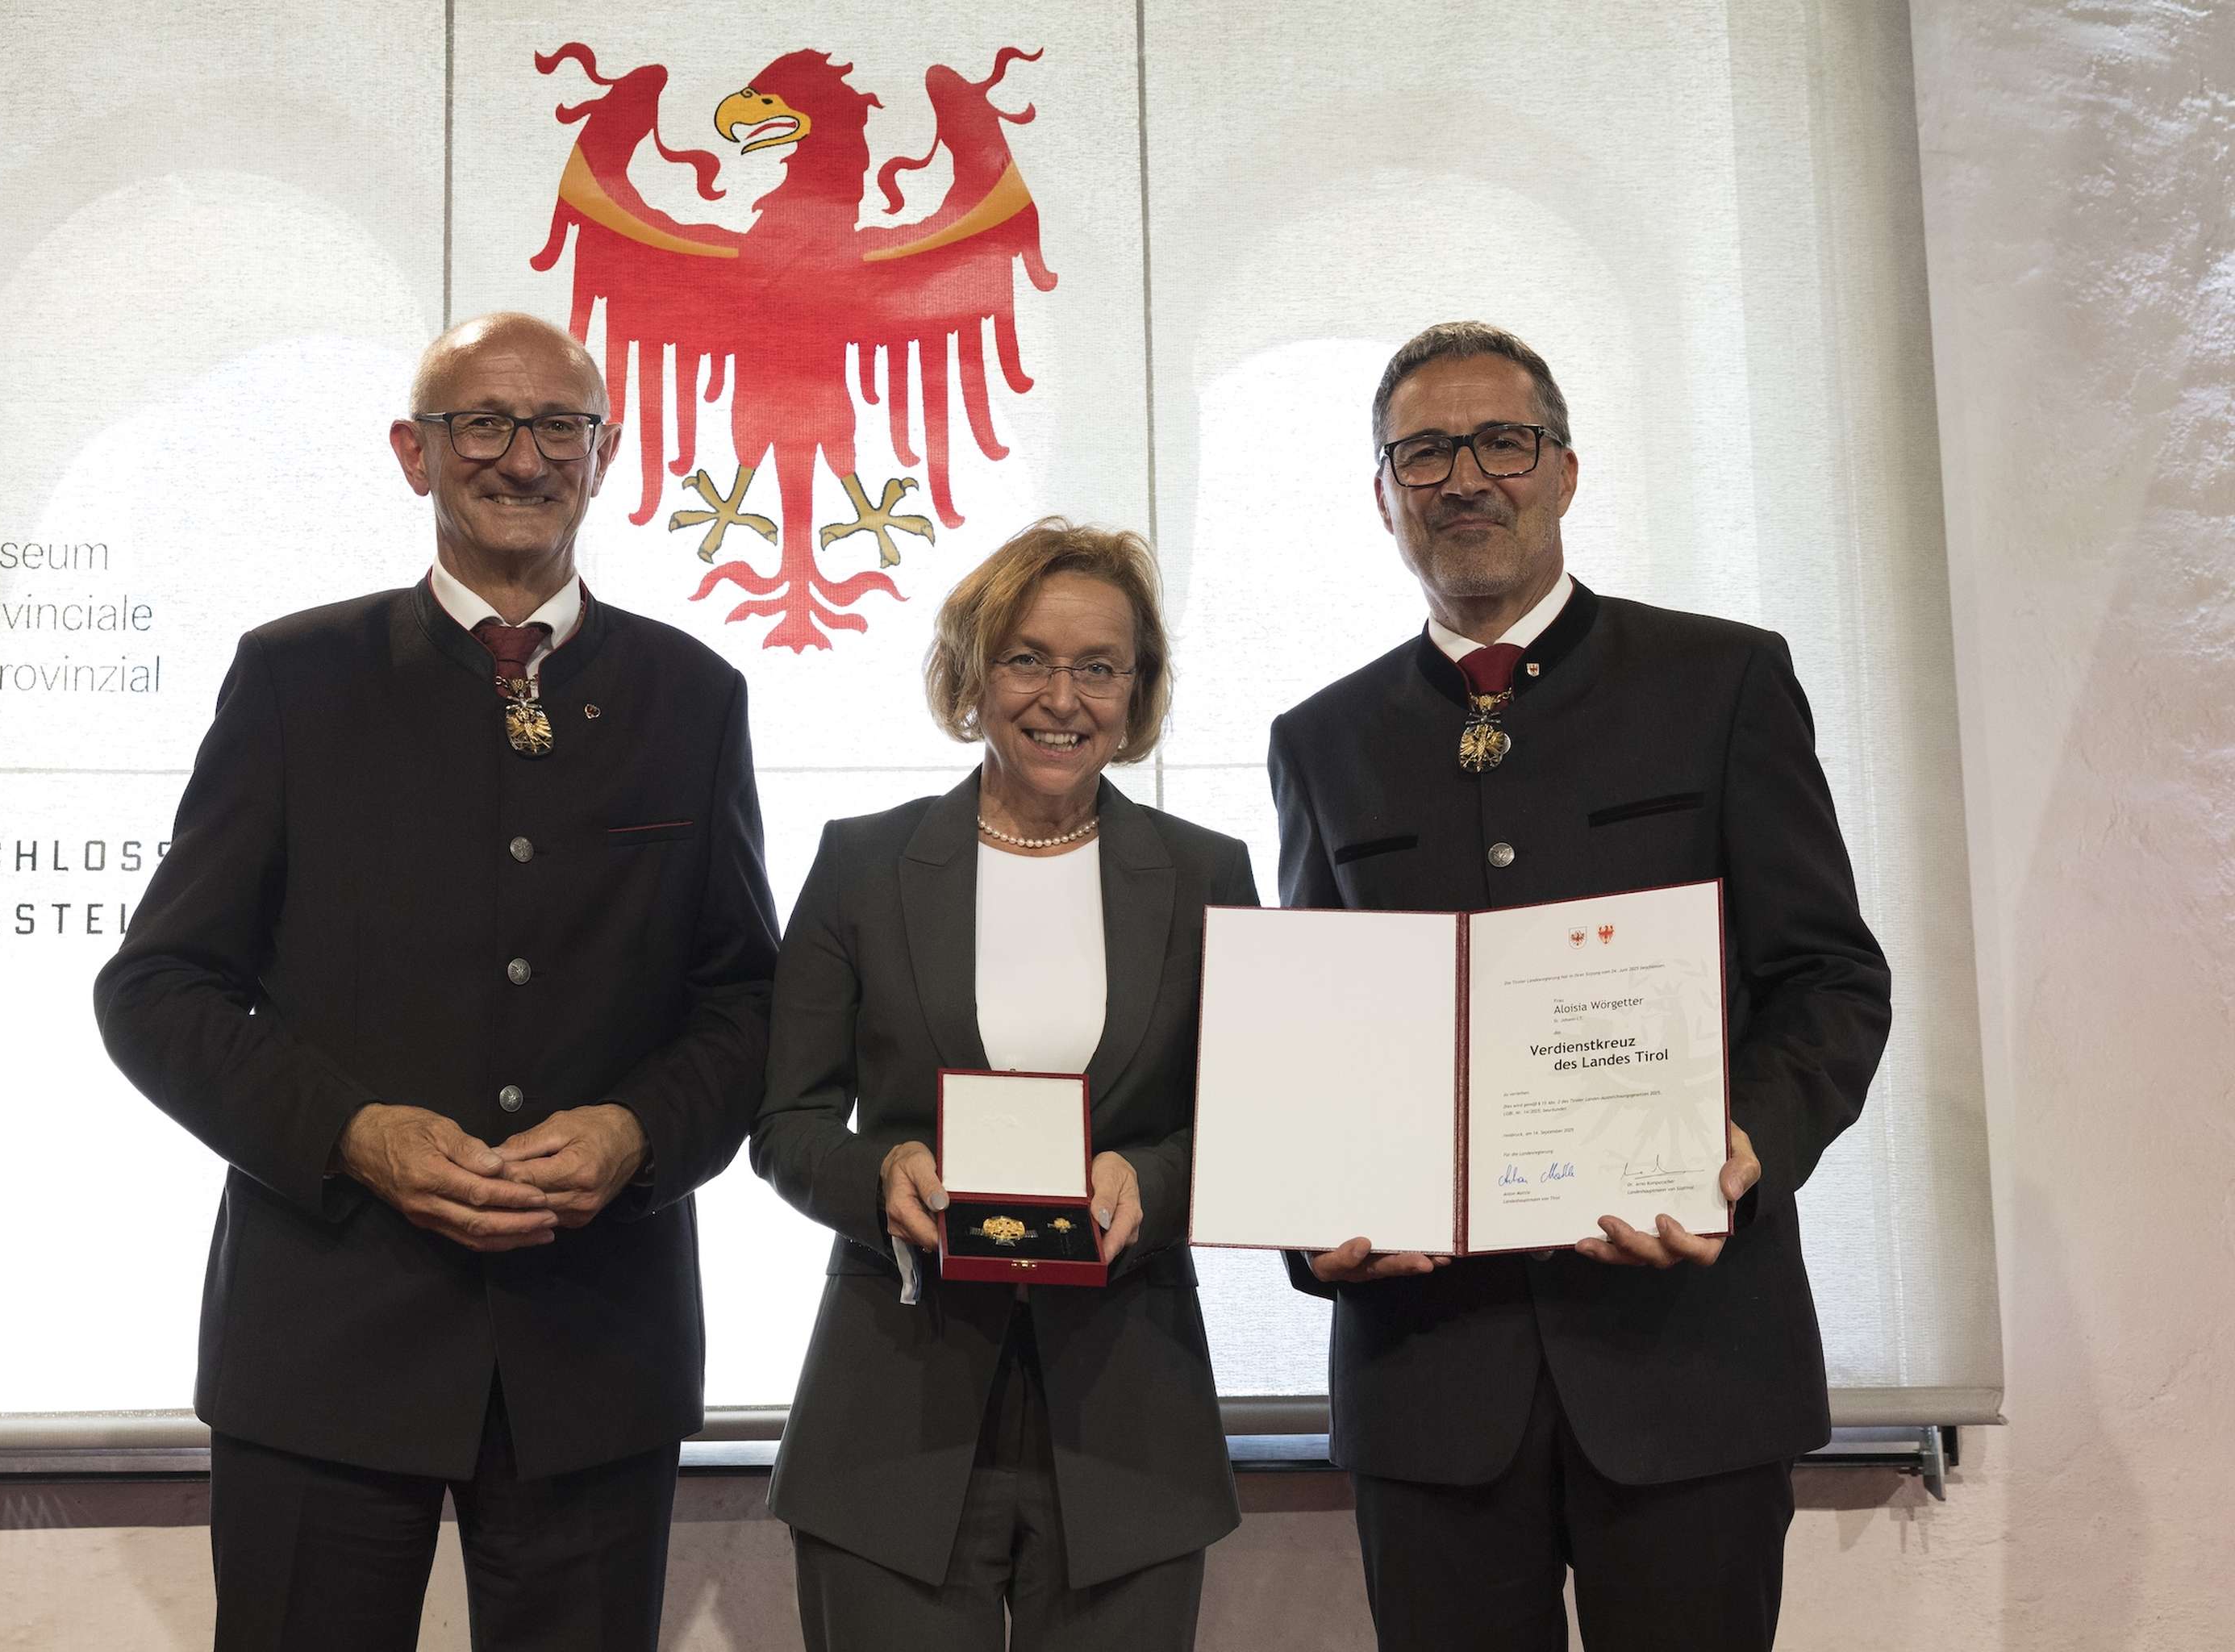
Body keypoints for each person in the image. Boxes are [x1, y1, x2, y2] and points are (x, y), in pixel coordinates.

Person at [94, 311, 778, 1652]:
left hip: (596, 1354)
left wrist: (641, 1135)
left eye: (559, 427)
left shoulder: (693, 696)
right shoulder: (296, 679)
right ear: (416, 454)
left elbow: (748, 1002)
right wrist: (353, 1134)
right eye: (483, 422)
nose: (523, 459)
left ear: (607, 454)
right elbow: (159, 986)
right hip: (324, 1344)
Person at [1270, 322, 1892, 1650]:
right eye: (1424, 452)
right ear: (1383, 495)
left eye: (1504, 440)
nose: (1465, 478)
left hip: (1688, 1362)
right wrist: (1306, 1221)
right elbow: (1315, 1033)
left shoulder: (1720, 680)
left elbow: (1831, 979)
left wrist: (1738, 1150)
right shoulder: (1321, 740)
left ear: (1564, 471)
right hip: (1428, 1380)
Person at [751, 520, 1250, 1650]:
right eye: (1027, 657)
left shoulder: (1206, 873)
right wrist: (878, 1170)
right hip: (895, 1411)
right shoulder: (862, 865)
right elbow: (783, 1125)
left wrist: (1153, 1180)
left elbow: (1250, 1127)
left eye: (1099, 667)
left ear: (1139, 691)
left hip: (1131, 1420)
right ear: (971, 675)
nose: (1060, 697)